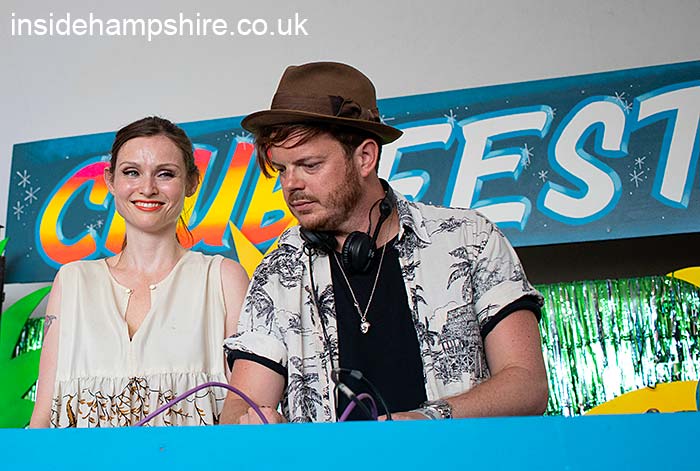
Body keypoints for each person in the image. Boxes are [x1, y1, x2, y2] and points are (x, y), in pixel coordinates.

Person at [221, 62, 548, 423]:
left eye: (310, 165)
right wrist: (257, 423)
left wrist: (427, 419)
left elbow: (526, 384)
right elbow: (241, 407)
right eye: (282, 169)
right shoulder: (278, 270)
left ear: (365, 157)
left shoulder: (471, 239)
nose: (291, 184)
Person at [29, 116, 249, 427]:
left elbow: (243, 413)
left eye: (165, 174)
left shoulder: (223, 278)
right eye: (132, 172)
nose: (147, 188)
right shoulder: (73, 280)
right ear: (110, 181)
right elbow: (43, 416)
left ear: (191, 183)